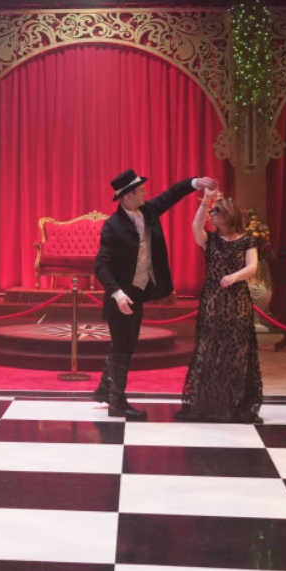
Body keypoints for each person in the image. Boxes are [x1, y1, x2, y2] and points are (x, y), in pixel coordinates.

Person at [93, 169, 218, 420]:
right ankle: (117, 402)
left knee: (123, 342)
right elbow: (101, 265)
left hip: (138, 291)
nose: (145, 193)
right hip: (121, 295)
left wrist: (195, 183)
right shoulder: (112, 226)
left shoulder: (148, 211)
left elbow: (172, 194)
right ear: (127, 196)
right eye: (140, 190)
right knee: (124, 346)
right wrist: (117, 294)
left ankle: (105, 389)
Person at [177, 193, 263, 423]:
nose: (211, 215)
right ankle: (208, 402)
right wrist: (205, 201)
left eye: (216, 212)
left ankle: (235, 402)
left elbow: (252, 267)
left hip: (237, 300)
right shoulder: (209, 240)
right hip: (213, 300)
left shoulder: (247, 240)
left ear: (229, 216)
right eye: (212, 212)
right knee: (210, 349)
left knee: (236, 350)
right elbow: (196, 226)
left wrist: (234, 277)